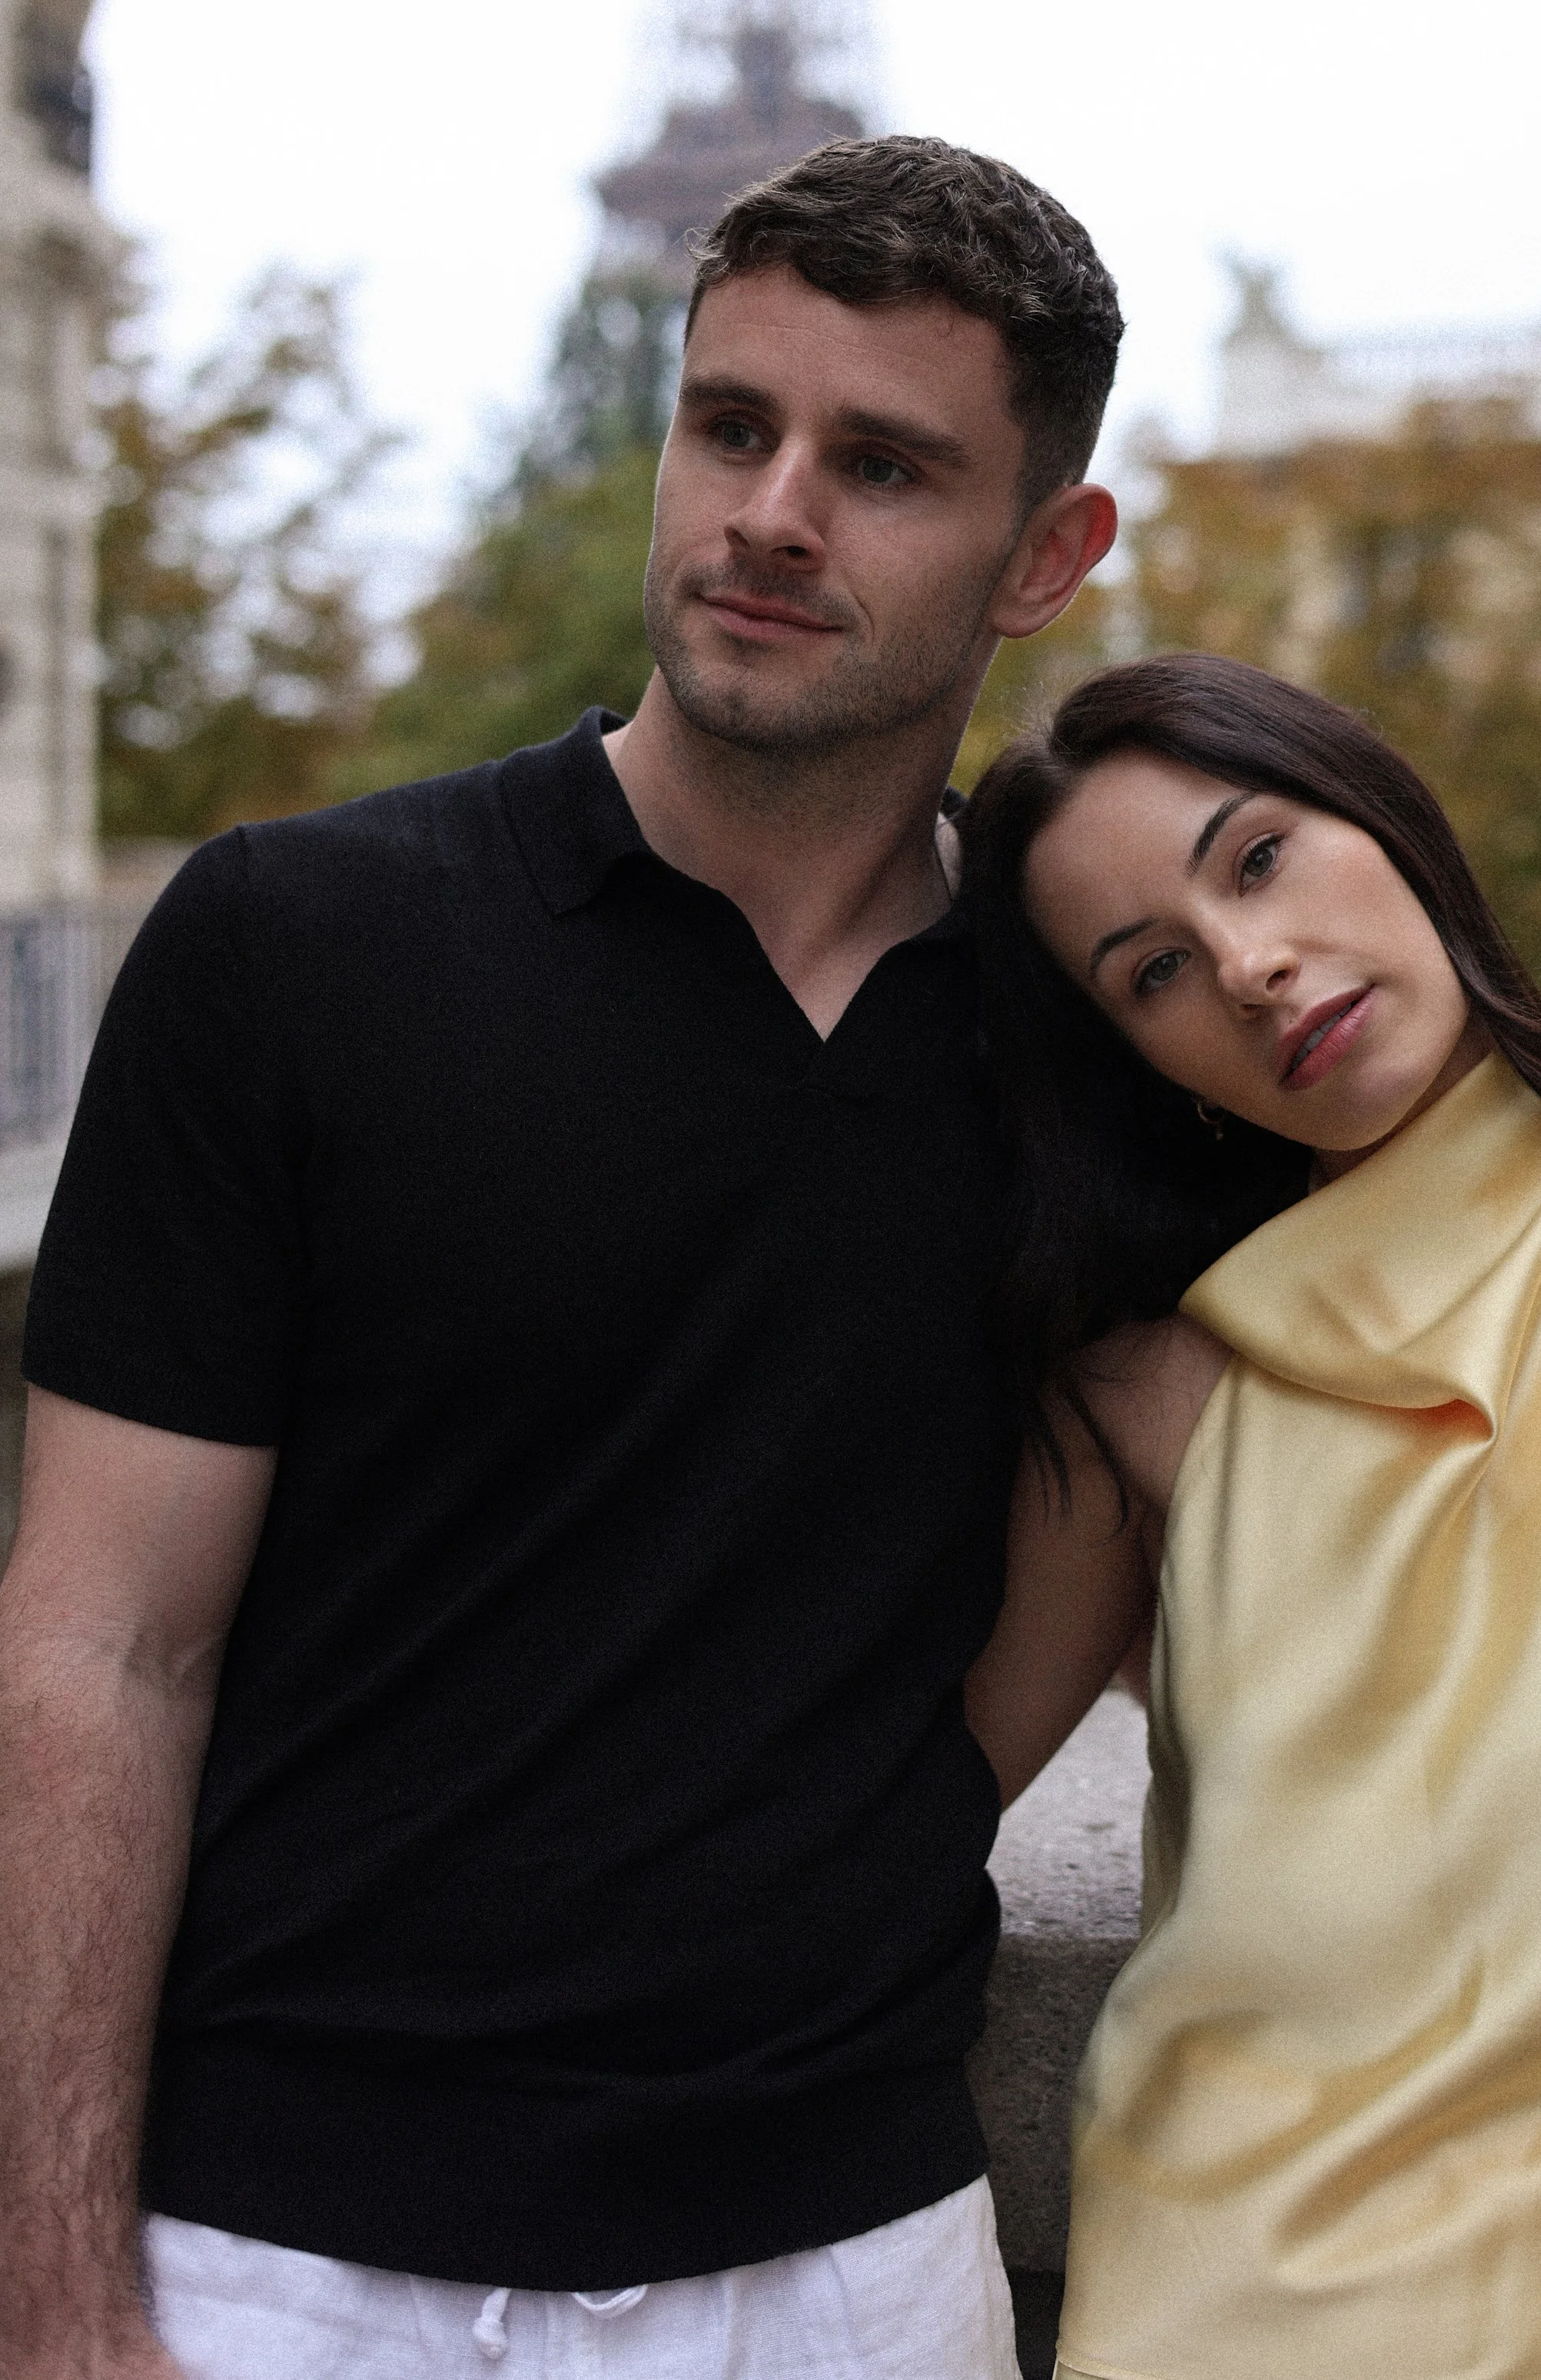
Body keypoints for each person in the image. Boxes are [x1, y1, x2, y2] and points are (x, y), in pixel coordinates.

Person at [0, 135, 1124, 2380]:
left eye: (882, 463)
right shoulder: (293, 945)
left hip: (851, 2269)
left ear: (1045, 553)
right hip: (272, 2264)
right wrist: (53, 2293)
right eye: (730, 426)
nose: (771, 512)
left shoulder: (1097, 1042)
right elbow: (103, 1645)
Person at [958, 652, 1541, 2380]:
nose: (1247, 966)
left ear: (1387, 823)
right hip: (1217, 2316)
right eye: (1152, 972)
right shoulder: (1148, 1394)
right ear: (1141, 1063)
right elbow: (890, 1804)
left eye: (1255, 857)